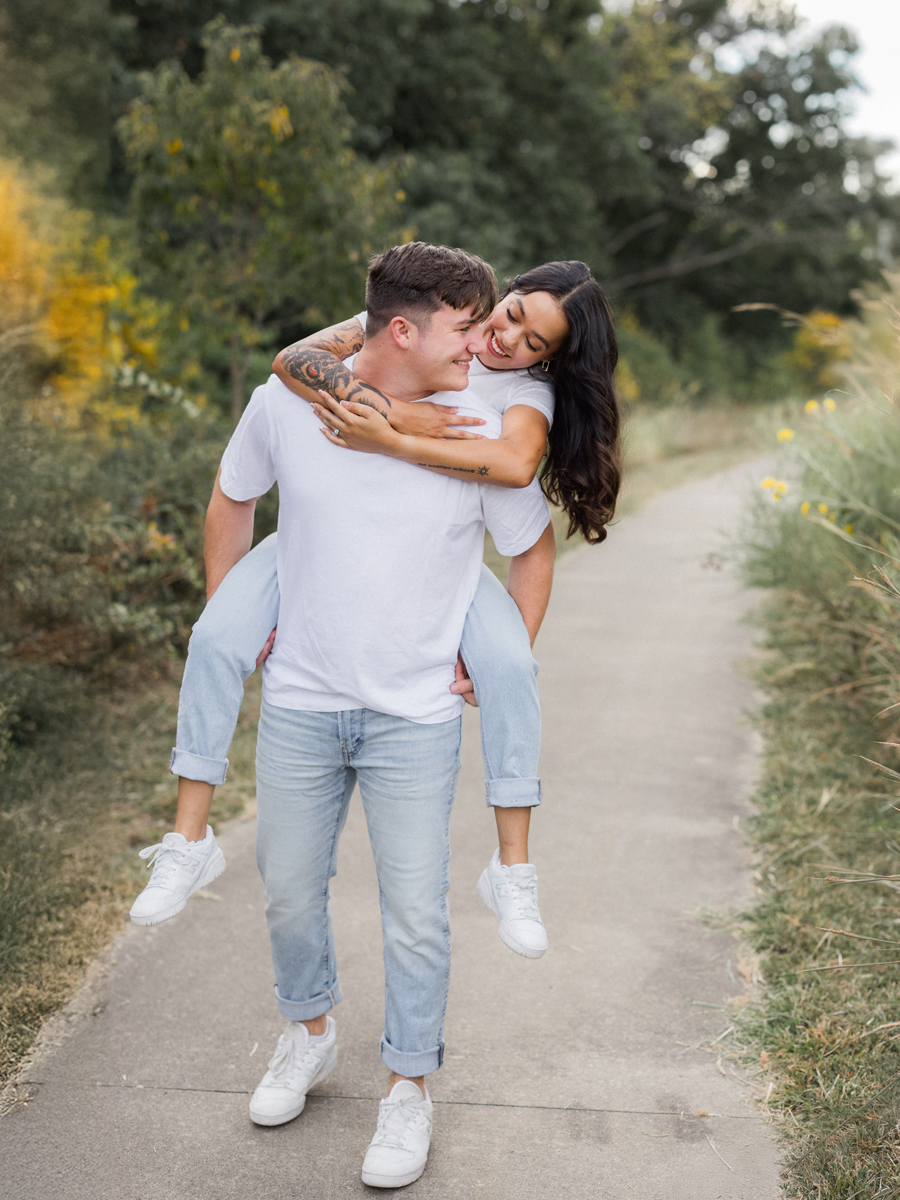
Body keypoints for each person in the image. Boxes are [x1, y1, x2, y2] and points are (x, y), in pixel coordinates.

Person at [130, 258, 621, 961]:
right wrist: (394, 404)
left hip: (447, 558)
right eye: (511, 314)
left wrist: (392, 433)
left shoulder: (524, 393)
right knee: (214, 638)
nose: (507, 339)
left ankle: (512, 866)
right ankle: (189, 838)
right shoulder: (435, 318)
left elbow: (514, 468)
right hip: (313, 541)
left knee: (512, 664)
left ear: (549, 360)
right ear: (505, 294)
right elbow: (294, 359)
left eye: (535, 341)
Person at [204, 242, 555, 1187]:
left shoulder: (477, 421)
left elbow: (532, 546)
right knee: (285, 890)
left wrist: (496, 659)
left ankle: (408, 1090)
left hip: (415, 717)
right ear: (402, 328)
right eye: (465, 326)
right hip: (301, 702)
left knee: (415, 914)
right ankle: (309, 1032)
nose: (483, 343)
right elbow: (233, 498)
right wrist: (238, 614)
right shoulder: (288, 400)